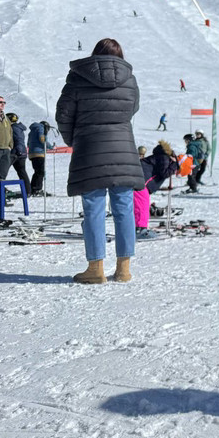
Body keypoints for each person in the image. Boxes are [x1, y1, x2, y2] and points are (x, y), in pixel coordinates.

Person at [55, 38, 145, 284]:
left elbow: (63, 114)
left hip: (90, 149)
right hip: (123, 150)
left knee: (93, 209)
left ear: (95, 54)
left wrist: (74, 139)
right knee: (124, 209)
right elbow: (132, 108)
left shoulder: (78, 77)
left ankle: (95, 269)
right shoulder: (129, 79)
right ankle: (123, 269)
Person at [135, 141, 178, 239]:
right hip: (141, 182)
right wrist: (175, 164)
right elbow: (164, 173)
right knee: (142, 206)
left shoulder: (158, 156)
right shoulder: (164, 157)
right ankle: (140, 230)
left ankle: (137, 228)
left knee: (141, 206)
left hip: (139, 181)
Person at [27, 120, 55, 196]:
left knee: (37, 172)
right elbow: (42, 139)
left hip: (32, 154)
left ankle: (32, 188)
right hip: (39, 153)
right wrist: (50, 146)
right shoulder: (40, 128)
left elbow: (28, 143)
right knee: (40, 172)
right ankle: (37, 189)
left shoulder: (32, 131)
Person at [7, 113, 30, 188]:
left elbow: (18, 139)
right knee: (21, 172)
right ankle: (27, 190)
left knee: (2, 170)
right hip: (19, 152)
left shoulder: (14, 128)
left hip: (16, 153)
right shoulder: (17, 127)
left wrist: (19, 151)